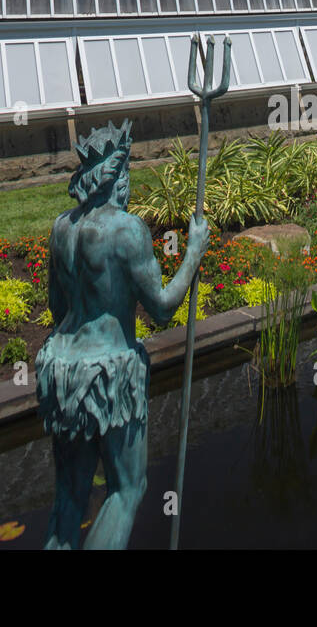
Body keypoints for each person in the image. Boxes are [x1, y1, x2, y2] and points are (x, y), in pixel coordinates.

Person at [35, 120, 210, 549]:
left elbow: (58, 309)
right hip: (109, 373)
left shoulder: (61, 229)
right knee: (127, 489)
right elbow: (164, 309)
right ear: (118, 176)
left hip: (60, 371)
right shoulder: (127, 230)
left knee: (71, 494)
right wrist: (192, 253)